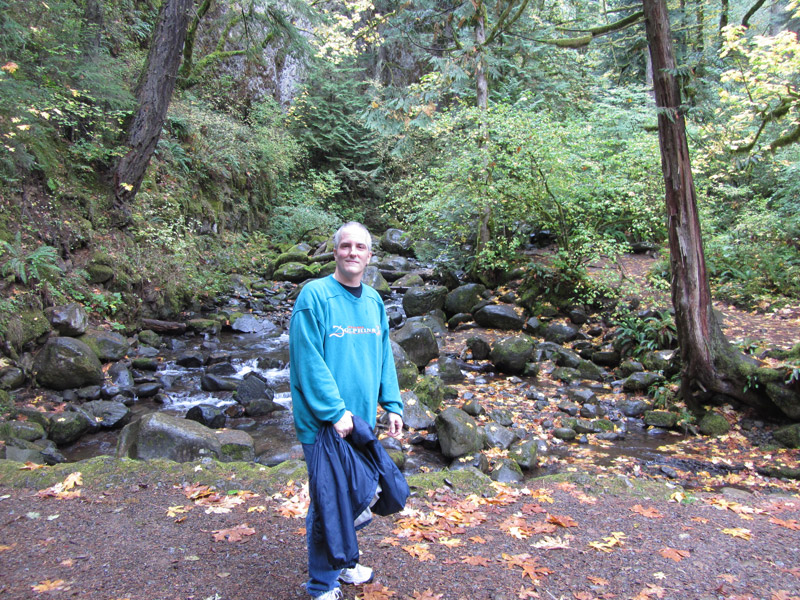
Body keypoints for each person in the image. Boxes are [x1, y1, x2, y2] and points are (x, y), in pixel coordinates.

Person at [289, 221, 404, 600]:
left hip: (361, 423)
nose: (353, 252)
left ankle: (345, 561)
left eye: (361, 247)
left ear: (370, 255)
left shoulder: (372, 301)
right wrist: (335, 413)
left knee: (354, 492)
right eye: (345, 246)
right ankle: (322, 584)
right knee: (330, 500)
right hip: (327, 424)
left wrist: (392, 404)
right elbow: (308, 362)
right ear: (335, 251)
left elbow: (383, 354)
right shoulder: (315, 296)